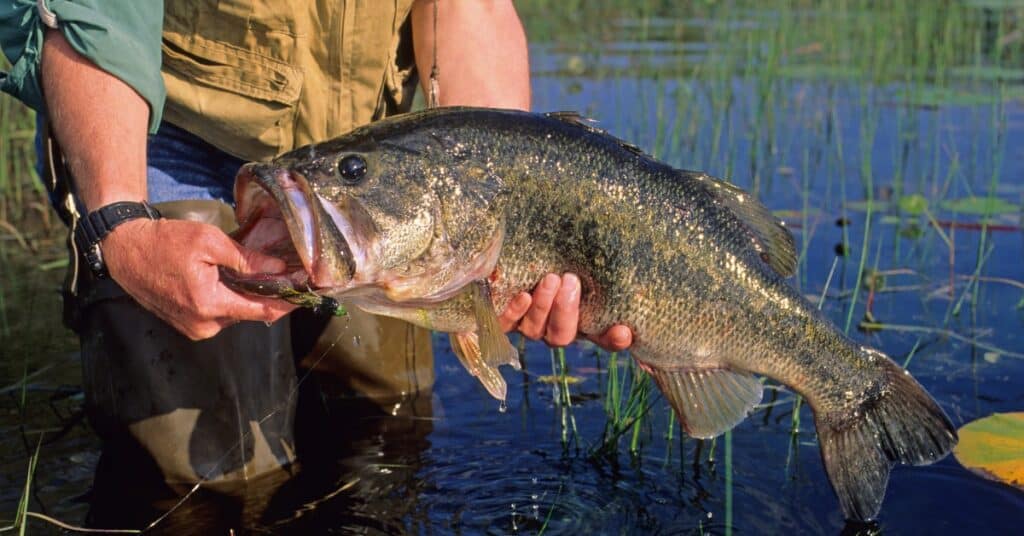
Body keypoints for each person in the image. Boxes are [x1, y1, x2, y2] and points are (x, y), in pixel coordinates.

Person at [0, 0, 633, 488]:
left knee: (384, 434)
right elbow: (97, 13)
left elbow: (471, 11)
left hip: (358, 172)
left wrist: (497, 240)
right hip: (164, 133)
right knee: (208, 470)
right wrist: (119, 225)